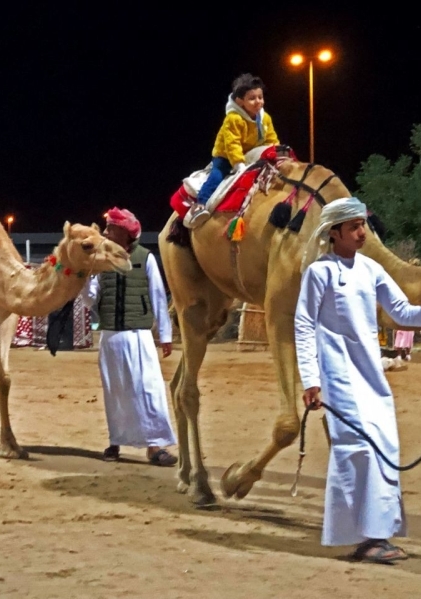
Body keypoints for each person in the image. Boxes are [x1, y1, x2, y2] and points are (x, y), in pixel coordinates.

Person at [294, 197, 421, 564]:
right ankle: (366, 537)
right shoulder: (320, 273)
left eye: (363, 225)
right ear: (335, 232)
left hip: (372, 377)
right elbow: (304, 325)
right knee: (356, 450)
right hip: (337, 377)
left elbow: (403, 311)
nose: (362, 232)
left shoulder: (371, 270)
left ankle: (378, 533)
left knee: (384, 446)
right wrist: (311, 380)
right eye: (354, 227)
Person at [81, 206, 178, 466]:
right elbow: (91, 300)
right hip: (111, 336)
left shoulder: (145, 258)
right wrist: (84, 277)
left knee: (147, 389)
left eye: (111, 227)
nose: (105, 231)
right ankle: (116, 440)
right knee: (116, 391)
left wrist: (165, 335)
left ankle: (154, 446)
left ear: (125, 232)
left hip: (139, 337)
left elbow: (159, 297)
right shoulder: (99, 261)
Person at [184, 73, 280, 229]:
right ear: (239, 101)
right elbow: (232, 143)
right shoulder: (233, 119)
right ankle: (200, 204)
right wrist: (238, 163)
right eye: (252, 98)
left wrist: (276, 152)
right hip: (227, 157)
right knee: (216, 176)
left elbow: (271, 138)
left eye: (260, 97)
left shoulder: (265, 118)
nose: (258, 102)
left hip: (252, 155)